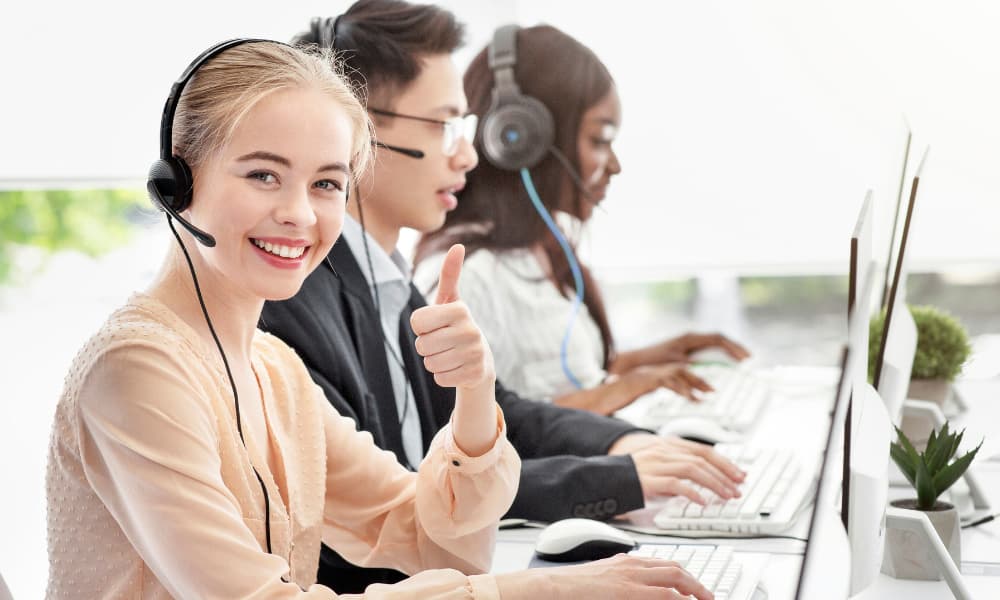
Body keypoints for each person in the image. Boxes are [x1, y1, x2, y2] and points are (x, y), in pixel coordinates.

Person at [44, 38, 713, 600]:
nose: (302, 215)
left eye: (327, 184)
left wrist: (475, 395)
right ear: (177, 183)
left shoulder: (272, 370)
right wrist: (546, 590)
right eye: (263, 176)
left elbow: (426, 535)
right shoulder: (136, 372)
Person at [260, 1, 742, 594]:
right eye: (442, 126)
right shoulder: (286, 309)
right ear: (352, 132)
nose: (467, 154)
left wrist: (625, 445)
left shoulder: (383, 282)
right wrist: (612, 479)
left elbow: (496, 414)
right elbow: (402, 497)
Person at [413, 25, 750, 417]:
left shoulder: (541, 251)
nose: (616, 166)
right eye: (600, 140)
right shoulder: (472, 274)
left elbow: (563, 382)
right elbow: (476, 428)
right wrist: (630, 387)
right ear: (520, 138)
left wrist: (652, 361)